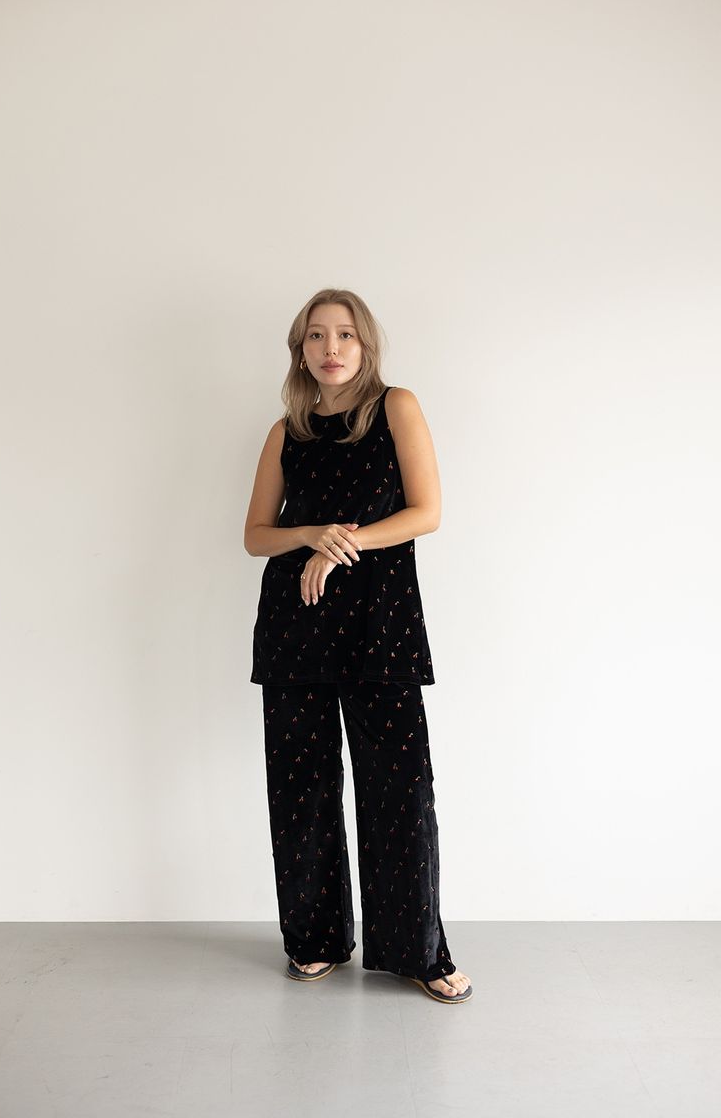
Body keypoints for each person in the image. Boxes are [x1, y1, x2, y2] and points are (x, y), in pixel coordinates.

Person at [243, 287, 472, 1003]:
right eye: (316, 336)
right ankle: (315, 941)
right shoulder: (285, 432)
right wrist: (311, 534)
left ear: (366, 345)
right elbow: (255, 536)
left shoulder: (396, 407)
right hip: (297, 625)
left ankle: (417, 953)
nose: (331, 348)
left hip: (382, 622)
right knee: (301, 791)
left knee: (399, 792)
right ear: (300, 350)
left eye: (344, 334)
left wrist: (341, 543)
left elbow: (426, 512)